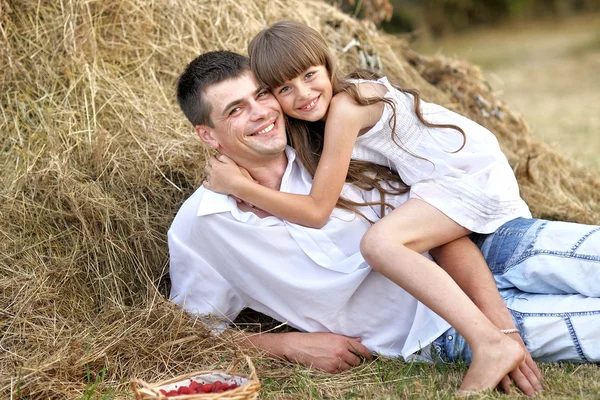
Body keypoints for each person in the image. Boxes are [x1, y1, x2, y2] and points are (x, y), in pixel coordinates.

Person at [170, 50, 600, 396]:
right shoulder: (202, 226)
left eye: (262, 94)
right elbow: (194, 332)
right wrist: (288, 346)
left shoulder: (331, 144)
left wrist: (497, 328)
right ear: (207, 134)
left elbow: (443, 228)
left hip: (490, 249)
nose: (261, 112)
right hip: (433, 330)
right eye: (235, 110)